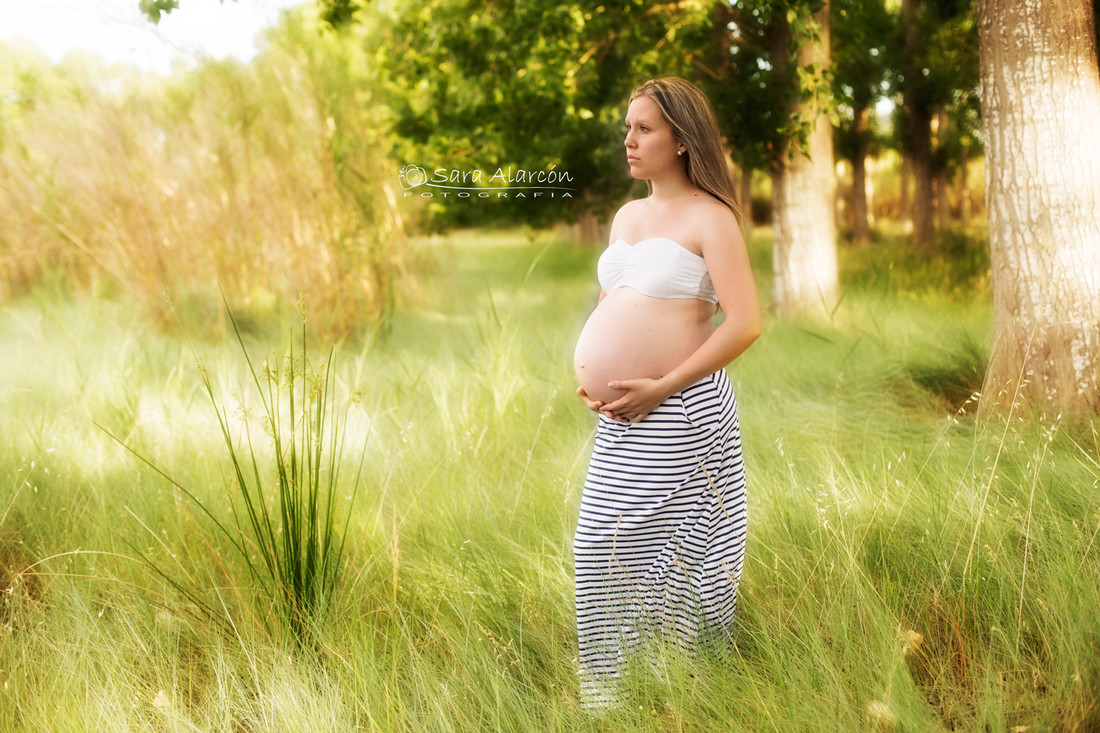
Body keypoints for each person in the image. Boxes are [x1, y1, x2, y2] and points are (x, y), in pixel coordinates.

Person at [571, 76, 762, 709]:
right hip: (623, 415)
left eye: (643, 128)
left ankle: (685, 686)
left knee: (668, 549)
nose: (628, 140)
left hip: (682, 406)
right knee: (601, 544)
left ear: (681, 140)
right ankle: (611, 699)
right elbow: (614, 304)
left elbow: (745, 322)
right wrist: (595, 377)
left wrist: (662, 385)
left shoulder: (712, 217)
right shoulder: (627, 216)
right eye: (627, 127)